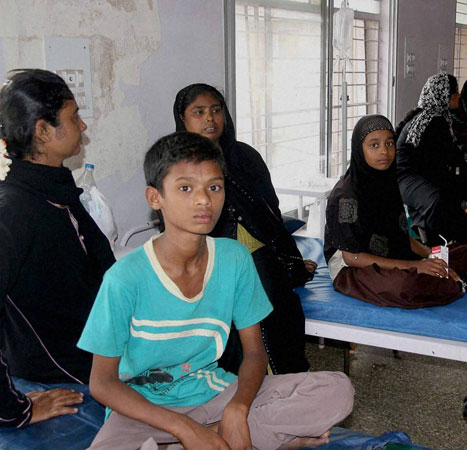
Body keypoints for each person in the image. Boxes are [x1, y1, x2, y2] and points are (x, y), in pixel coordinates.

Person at [78, 132, 354, 449]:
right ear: (155, 198)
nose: (204, 200)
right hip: (144, 411)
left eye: (214, 187)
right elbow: (102, 383)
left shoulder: (234, 258)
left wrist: (238, 408)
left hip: (213, 393)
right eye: (186, 188)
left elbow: (254, 353)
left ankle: (220, 435)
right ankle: (242, 439)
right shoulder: (125, 278)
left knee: (337, 390)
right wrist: (185, 428)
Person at [0, 69, 115, 428]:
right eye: (73, 117)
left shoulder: (58, 193)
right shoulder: (13, 210)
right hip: (63, 378)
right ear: (43, 131)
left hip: (99, 363)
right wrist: (14, 409)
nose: (83, 126)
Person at [172, 84, 313, 375]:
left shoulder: (245, 157)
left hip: (261, 255)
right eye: (199, 112)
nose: (210, 118)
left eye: (216, 110)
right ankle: (249, 383)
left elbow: (271, 214)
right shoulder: (176, 166)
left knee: (279, 307)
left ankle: (283, 380)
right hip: (211, 262)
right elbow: (177, 226)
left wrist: (291, 260)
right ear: (183, 119)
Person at [325, 115, 467, 309]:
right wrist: (415, 266)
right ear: (359, 149)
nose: (384, 151)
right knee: (405, 286)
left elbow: (401, 236)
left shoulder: (386, 181)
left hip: (390, 253)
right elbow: (351, 257)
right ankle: (464, 283)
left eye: (389, 143)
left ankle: (442, 276)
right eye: (374, 145)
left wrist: (431, 256)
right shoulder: (346, 195)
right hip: (353, 267)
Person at [396, 73, 467, 246]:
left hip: (422, 174)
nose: (458, 96)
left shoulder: (433, 117)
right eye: (454, 93)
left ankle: (448, 233)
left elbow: (446, 159)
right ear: (444, 96)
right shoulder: (432, 121)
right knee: (449, 196)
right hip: (409, 178)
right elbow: (453, 158)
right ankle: (438, 242)